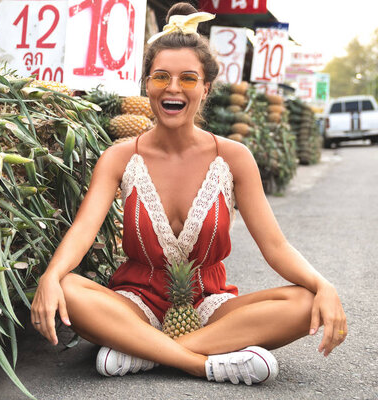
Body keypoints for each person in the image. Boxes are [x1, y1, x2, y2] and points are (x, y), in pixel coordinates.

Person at [30, 2, 347, 385]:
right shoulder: (119, 157)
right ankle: (201, 361)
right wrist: (50, 276)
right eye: (161, 77)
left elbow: (276, 247)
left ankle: (143, 351)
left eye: (188, 78)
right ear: (146, 84)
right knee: (68, 287)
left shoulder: (234, 158)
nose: (173, 88)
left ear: (207, 87)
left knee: (306, 302)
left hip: (212, 305)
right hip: (135, 303)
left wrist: (323, 285)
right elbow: (83, 231)